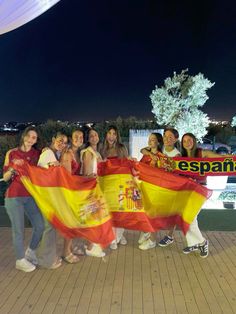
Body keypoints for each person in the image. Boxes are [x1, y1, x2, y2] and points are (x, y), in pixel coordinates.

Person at [3, 126, 44, 272]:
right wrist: (13, 167)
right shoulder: (12, 153)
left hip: (30, 196)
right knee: (18, 229)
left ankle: (30, 252)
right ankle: (20, 260)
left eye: (34, 138)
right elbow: (6, 178)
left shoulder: (37, 154)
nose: (30, 139)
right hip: (14, 197)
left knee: (40, 226)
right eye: (28, 136)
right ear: (23, 136)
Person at [139, 128, 181, 250]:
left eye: (170, 137)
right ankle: (150, 235)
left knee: (157, 213)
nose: (167, 139)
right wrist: (151, 154)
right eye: (165, 136)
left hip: (166, 188)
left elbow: (175, 173)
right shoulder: (160, 148)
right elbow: (143, 150)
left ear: (175, 139)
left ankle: (153, 239)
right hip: (155, 186)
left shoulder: (177, 155)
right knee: (152, 212)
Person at [36, 132, 69, 268]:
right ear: (53, 139)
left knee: (49, 227)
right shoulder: (48, 154)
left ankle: (45, 256)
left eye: (65, 142)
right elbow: (41, 173)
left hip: (49, 196)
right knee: (49, 227)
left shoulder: (54, 154)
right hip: (46, 196)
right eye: (60, 141)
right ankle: (46, 260)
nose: (62, 144)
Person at [100, 125, 128, 250]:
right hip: (107, 185)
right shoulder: (102, 148)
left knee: (120, 211)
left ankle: (118, 236)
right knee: (110, 211)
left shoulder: (122, 148)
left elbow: (126, 164)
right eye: (109, 133)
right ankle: (114, 237)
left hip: (120, 184)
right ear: (106, 135)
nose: (111, 136)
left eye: (114, 133)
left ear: (117, 136)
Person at [80, 128, 105, 257]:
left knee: (94, 216)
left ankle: (91, 244)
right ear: (88, 139)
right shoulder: (88, 152)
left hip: (96, 187)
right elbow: (87, 173)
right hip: (91, 188)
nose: (94, 137)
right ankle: (90, 247)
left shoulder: (96, 152)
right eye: (91, 136)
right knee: (92, 217)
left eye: (96, 134)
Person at [60, 129, 84, 261]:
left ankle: (70, 247)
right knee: (70, 222)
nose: (79, 139)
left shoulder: (78, 153)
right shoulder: (67, 154)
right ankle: (65, 252)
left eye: (81, 137)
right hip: (68, 192)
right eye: (76, 137)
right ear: (71, 138)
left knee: (74, 221)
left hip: (75, 191)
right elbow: (67, 178)